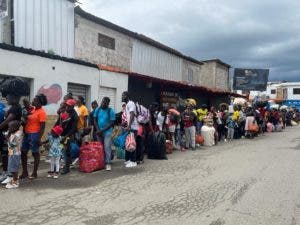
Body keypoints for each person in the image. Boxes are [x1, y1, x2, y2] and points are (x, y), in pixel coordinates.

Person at [20, 94, 47, 179]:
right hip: (27, 133)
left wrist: (39, 138)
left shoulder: (42, 112)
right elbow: (25, 101)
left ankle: (34, 173)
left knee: (35, 153)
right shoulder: (33, 110)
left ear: (40, 102)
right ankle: (25, 172)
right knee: (23, 152)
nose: (33, 101)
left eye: (35, 100)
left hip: (35, 134)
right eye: (33, 100)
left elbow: (42, 127)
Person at [0, 94, 22, 182]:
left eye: (8, 97)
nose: (6, 99)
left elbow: (8, 119)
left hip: (13, 134)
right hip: (10, 133)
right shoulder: (13, 107)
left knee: (12, 156)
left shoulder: (16, 107)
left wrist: (1, 126)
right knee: (9, 155)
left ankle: (12, 178)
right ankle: (9, 175)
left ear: (14, 98)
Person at [56, 99, 78, 174]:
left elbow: (73, 128)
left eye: (68, 105)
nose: (67, 106)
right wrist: (54, 130)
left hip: (68, 136)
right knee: (59, 151)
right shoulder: (64, 112)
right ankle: (58, 166)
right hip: (61, 134)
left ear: (72, 106)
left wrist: (66, 136)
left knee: (66, 152)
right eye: (66, 105)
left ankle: (67, 168)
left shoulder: (74, 115)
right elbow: (58, 122)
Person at [94, 97, 115, 171]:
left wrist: (102, 130)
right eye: (102, 102)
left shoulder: (110, 111)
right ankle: (102, 162)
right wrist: (98, 129)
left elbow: (112, 123)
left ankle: (108, 163)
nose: (102, 104)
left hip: (107, 132)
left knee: (107, 147)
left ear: (108, 104)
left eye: (104, 103)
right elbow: (95, 120)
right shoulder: (98, 109)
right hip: (99, 132)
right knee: (100, 147)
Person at [2, 121, 23, 189]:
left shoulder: (18, 134)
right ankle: (14, 179)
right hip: (11, 153)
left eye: (10, 127)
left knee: (14, 168)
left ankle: (16, 182)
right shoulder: (13, 132)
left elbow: (12, 144)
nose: (9, 128)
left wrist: (7, 137)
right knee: (11, 167)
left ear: (15, 128)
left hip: (15, 154)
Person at [121, 91, 138, 168]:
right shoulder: (127, 104)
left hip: (133, 127)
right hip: (130, 127)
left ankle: (133, 161)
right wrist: (126, 124)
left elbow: (132, 114)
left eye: (123, 95)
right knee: (129, 143)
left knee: (132, 144)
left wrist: (129, 126)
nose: (122, 97)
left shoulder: (131, 103)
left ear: (127, 96)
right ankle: (128, 160)